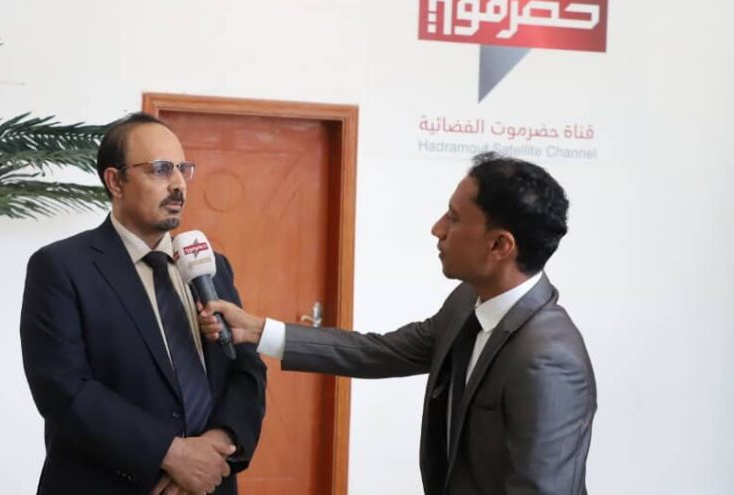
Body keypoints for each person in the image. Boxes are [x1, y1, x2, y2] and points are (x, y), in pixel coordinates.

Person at [202, 152, 596, 495]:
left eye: (454, 218)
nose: (437, 229)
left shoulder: (548, 359)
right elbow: (382, 352)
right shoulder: (466, 302)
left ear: (500, 245)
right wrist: (257, 331)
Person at [21, 112, 266, 495]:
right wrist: (172, 455)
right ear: (115, 181)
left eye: (183, 169)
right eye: (161, 169)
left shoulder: (212, 267)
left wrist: (216, 446)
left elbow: (247, 369)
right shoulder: (61, 267)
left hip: (210, 482)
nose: (178, 183)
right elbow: (63, 389)